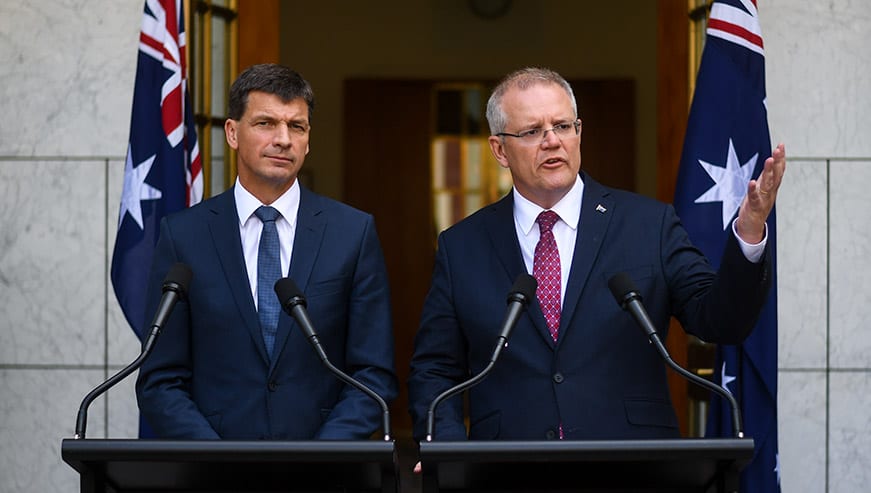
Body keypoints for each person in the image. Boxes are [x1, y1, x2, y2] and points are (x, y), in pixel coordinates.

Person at [408, 67, 785, 442]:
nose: (552, 141)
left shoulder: (648, 225)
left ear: (579, 132)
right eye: (532, 131)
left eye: (562, 126)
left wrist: (749, 231)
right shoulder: (462, 246)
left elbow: (719, 321)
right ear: (499, 150)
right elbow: (435, 368)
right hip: (506, 466)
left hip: (631, 463)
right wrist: (445, 446)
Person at [136, 64, 397, 440]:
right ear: (232, 133)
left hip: (324, 470)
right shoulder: (183, 236)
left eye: (297, 126)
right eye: (265, 123)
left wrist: (323, 457)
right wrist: (218, 460)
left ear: (308, 140)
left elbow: (374, 375)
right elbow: (160, 379)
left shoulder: (352, 233)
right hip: (213, 471)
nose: (283, 139)